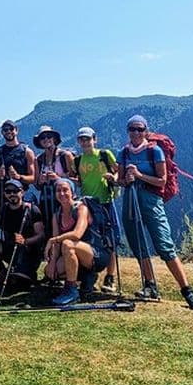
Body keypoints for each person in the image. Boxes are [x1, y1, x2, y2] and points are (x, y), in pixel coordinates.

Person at [117, 115, 193, 311]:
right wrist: (120, 180)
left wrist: (139, 175)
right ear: (128, 131)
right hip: (131, 200)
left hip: (151, 201)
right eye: (132, 129)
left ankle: (187, 291)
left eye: (140, 129)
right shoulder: (123, 153)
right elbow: (121, 180)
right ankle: (150, 285)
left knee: (164, 245)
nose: (136, 133)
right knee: (138, 244)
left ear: (146, 131)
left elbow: (162, 181)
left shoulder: (154, 151)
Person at [44, 178, 109, 305]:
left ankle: (71, 290)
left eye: (65, 190)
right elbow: (56, 246)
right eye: (58, 191)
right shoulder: (57, 215)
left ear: (72, 192)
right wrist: (52, 262)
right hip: (76, 254)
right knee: (50, 271)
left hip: (95, 254)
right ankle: (86, 277)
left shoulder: (81, 208)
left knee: (67, 244)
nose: (62, 193)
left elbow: (77, 234)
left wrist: (53, 240)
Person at [74, 126, 120, 293]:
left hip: (106, 202)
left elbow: (117, 172)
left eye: (88, 139)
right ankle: (90, 276)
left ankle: (110, 277)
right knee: (89, 240)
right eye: (82, 139)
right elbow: (77, 178)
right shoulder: (77, 160)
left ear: (95, 139)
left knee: (111, 240)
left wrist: (113, 178)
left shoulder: (104, 155)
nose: (85, 142)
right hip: (88, 205)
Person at [0, 179, 44, 286]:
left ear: (22, 192)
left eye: (15, 191)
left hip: (28, 252)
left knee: (18, 284)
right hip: (9, 249)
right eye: (8, 191)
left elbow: (41, 235)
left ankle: (19, 273)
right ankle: (2, 270)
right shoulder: (2, 209)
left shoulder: (32, 210)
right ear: (5, 194)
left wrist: (25, 241)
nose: (12, 194)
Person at [33, 126, 76, 230]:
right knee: (48, 228)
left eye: (49, 136)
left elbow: (75, 179)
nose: (46, 139)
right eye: (42, 137)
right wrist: (41, 181)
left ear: (54, 138)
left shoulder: (65, 156)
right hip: (46, 202)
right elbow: (37, 185)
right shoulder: (38, 159)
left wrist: (58, 178)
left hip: (63, 200)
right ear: (39, 141)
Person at [0, 120, 36, 214]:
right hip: (2, 196)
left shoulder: (27, 152)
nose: (8, 131)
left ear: (16, 130)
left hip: (21, 196)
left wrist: (18, 177)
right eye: (5, 130)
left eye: (11, 129)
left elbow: (33, 178)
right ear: (2, 132)